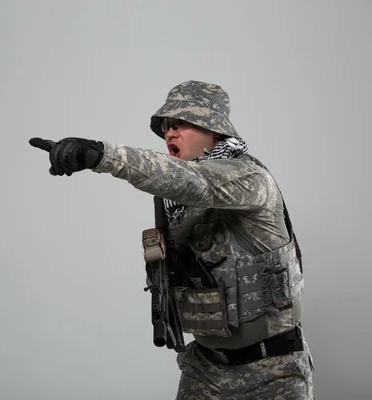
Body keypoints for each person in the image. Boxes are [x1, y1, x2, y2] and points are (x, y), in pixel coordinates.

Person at [29, 80, 315, 399]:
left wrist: (99, 154)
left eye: (181, 124)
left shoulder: (249, 179)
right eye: (167, 126)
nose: (169, 133)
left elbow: (190, 181)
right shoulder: (180, 207)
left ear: (215, 131)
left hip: (272, 373)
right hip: (205, 371)